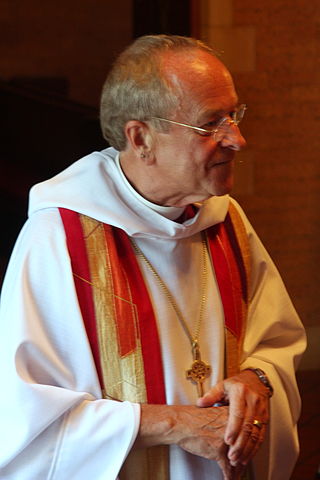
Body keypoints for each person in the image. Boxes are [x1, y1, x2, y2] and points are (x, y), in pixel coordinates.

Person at [0, 34, 306, 480]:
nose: (237, 139)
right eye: (210, 124)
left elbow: (277, 341)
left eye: (234, 115)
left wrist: (256, 380)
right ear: (140, 137)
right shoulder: (60, 237)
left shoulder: (226, 221)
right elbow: (22, 417)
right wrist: (175, 424)